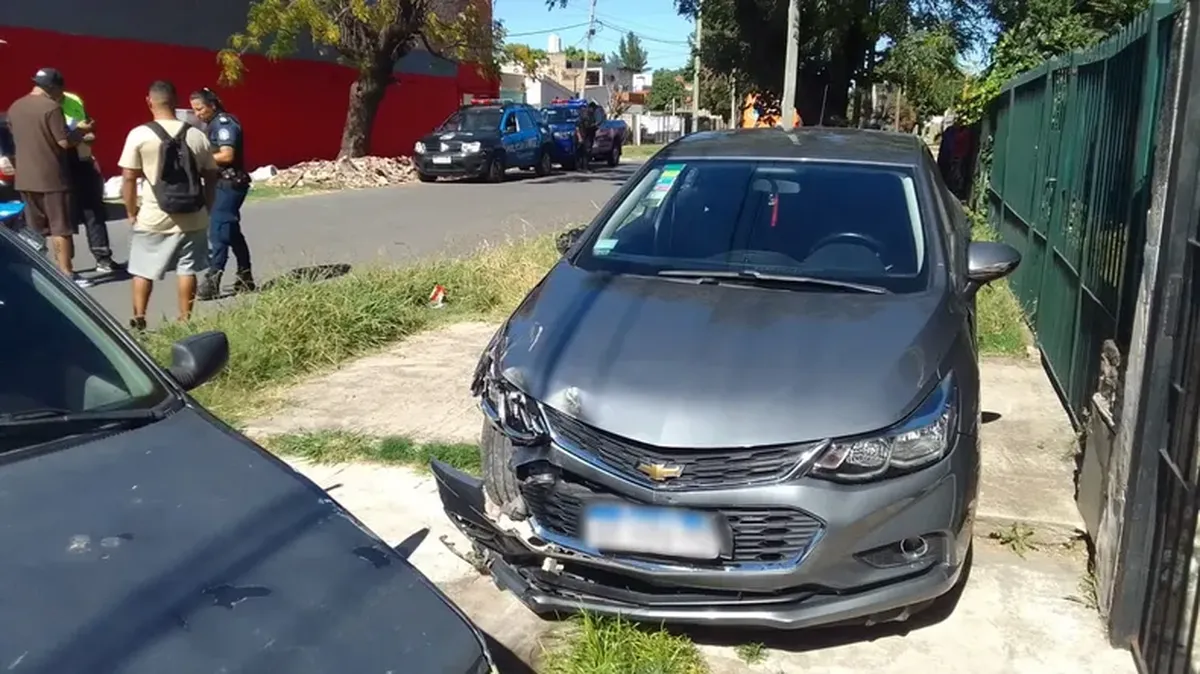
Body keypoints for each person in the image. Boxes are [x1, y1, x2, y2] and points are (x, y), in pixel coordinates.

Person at [118, 80, 218, 330]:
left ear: (149, 101)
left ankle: (139, 318)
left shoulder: (139, 135)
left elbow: (129, 178)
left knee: (143, 269)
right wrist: (206, 206)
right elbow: (211, 177)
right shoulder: (196, 135)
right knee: (187, 270)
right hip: (193, 215)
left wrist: (131, 212)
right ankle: (185, 319)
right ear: (175, 102)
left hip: (154, 215)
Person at [6, 68, 92, 287]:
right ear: (53, 87)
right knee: (60, 227)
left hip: (25, 176)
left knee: (35, 229)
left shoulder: (15, 106)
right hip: (52, 176)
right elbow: (63, 142)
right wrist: (81, 130)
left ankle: (38, 272)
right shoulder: (51, 107)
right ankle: (67, 274)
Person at [189, 88, 255, 300]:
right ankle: (246, 276)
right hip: (219, 183)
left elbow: (227, 155)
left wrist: (199, 156)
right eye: (194, 110)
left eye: (200, 109)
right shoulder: (211, 125)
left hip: (229, 184)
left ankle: (213, 278)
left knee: (218, 231)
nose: (198, 114)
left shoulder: (224, 123)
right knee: (231, 231)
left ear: (212, 105)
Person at [61, 90, 120, 274]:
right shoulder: (45, 106)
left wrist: (89, 133)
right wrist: (78, 134)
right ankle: (65, 266)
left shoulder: (73, 99)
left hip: (83, 160)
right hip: (60, 164)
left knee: (94, 211)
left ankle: (103, 258)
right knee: (64, 216)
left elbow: (88, 126)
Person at [575, 101, 599, 172]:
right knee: (585, 152)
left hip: (587, 136)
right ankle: (584, 168)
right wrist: (594, 126)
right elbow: (585, 127)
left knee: (584, 152)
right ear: (591, 108)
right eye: (594, 109)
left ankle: (582, 167)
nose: (595, 110)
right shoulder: (586, 115)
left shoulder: (590, 115)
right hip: (584, 136)